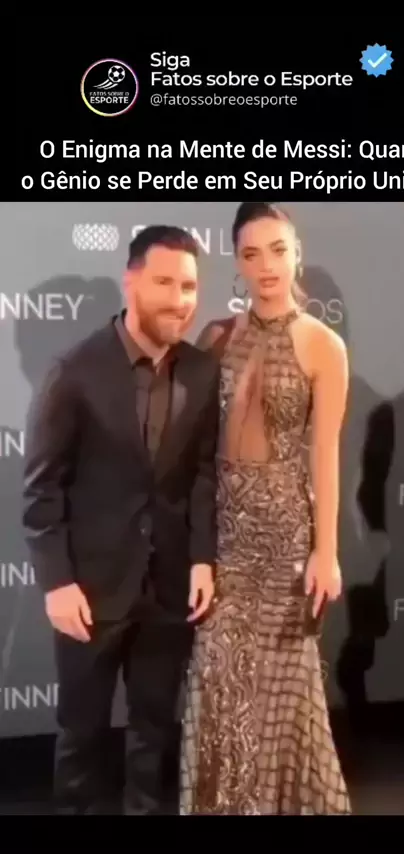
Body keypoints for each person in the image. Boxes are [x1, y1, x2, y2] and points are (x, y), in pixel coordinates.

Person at [22, 225, 219, 815]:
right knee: (81, 734)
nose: (180, 300)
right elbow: (42, 489)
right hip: (89, 590)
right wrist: (58, 582)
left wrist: (203, 558)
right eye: (165, 283)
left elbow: (204, 473)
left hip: (169, 587)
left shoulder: (203, 371)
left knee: (153, 731)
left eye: (189, 287)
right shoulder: (75, 370)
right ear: (130, 282)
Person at [179, 202, 352, 815]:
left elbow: (325, 455)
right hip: (226, 540)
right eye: (251, 254)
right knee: (218, 685)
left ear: (296, 253)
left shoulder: (323, 345)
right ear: (238, 263)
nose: (267, 265)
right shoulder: (216, 337)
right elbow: (197, 451)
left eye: (278, 250)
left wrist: (326, 551)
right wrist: (199, 549)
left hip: (285, 540)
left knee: (282, 694)